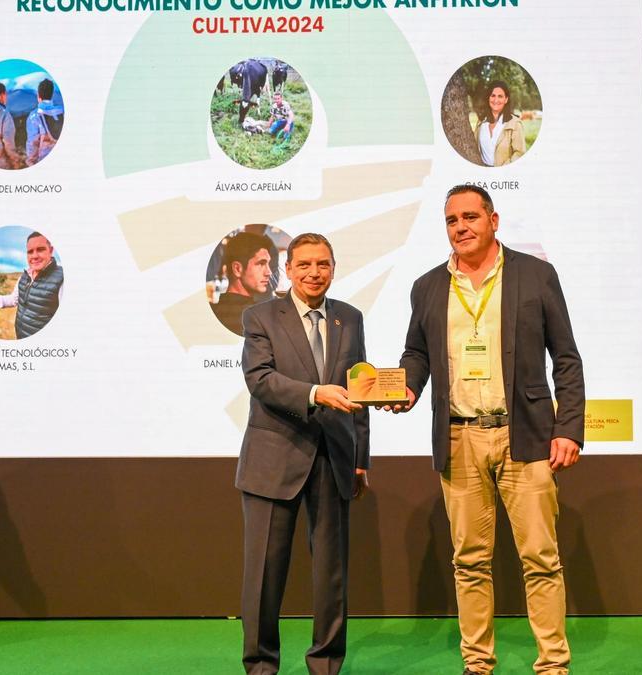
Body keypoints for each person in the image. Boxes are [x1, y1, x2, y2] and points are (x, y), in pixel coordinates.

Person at [386, 185, 584, 675]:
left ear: (493, 220)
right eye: (452, 220)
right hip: (458, 437)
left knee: (540, 558)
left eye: (470, 217)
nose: (461, 227)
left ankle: (553, 664)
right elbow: (416, 353)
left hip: (527, 435)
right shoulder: (428, 285)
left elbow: (566, 358)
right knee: (470, 562)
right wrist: (407, 387)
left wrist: (569, 428)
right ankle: (478, 663)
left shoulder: (536, 275)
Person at [237, 232, 370, 675]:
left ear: (334, 268)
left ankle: (327, 664)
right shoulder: (259, 317)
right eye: (305, 265)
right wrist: (315, 393)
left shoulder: (349, 318)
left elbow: (360, 392)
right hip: (273, 461)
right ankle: (260, 666)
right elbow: (260, 380)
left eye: (324, 264)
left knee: (331, 575)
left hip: (334, 460)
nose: (315, 273)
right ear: (288, 270)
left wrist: (360, 459)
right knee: (264, 576)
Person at [0, 231, 64, 339]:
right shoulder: (24, 276)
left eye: (40, 249)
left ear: (51, 251)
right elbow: (13, 300)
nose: (34, 256)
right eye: (30, 251)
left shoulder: (62, 279)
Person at [211, 232, 276, 337]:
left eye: (268, 264)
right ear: (237, 269)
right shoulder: (251, 319)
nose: (269, 272)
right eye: (261, 263)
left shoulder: (218, 309)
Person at [476, 80, 526, 167]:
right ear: (488, 98)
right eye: (493, 95)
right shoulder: (481, 122)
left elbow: (519, 153)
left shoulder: (515, 124)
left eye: (500, 96)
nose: (496, 100)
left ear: (506, 99)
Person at [25, 78, 64, 167]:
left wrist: (30, 161)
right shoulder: (62, 111)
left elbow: (32, 144)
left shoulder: (34, 116)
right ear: (52, 95)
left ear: (38, 96)